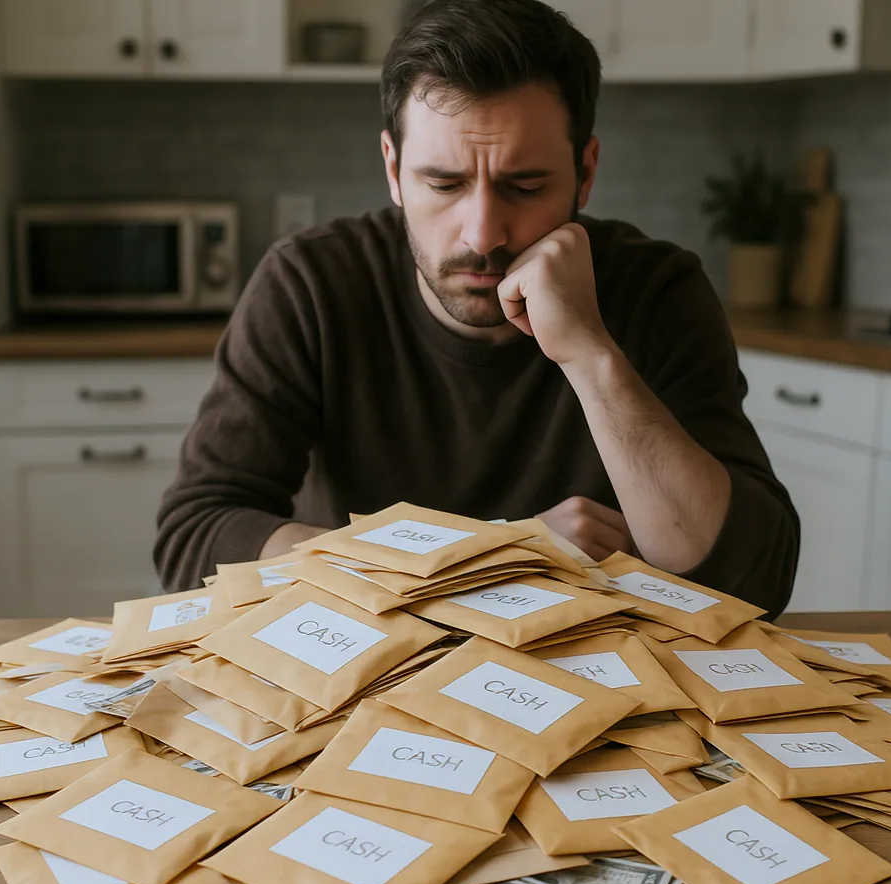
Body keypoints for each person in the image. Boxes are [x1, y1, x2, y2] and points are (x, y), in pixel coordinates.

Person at [154, 0, 799, 614]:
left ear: (587, 170)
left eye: (526, 185)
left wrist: (590, 354)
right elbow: (197, 537)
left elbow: (752, 579)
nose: (483, 233)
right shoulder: (311, 284)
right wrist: (495, 556)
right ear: (392, 168)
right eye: (444, 183)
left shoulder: (658, 289)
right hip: (368, 674)